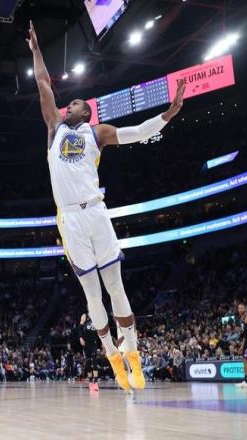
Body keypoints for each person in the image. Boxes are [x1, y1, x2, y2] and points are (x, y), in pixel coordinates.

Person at [26, 20, 185, 392]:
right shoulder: (53, 129)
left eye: (75, 104)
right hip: (70, 219)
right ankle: (111, 354)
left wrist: (169, 113)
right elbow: (43, 82)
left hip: (96, 211)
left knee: (115, 287)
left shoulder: (98, 133)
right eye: (68, 104)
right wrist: (35, 49)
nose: (67, 106)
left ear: (86, 113)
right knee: (92, 294)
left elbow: (138, 132)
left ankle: (133, 353)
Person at [78, 312, 101, 391]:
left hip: (94, 342)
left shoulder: (96, 316)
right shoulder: (85, 316)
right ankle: (90, 382)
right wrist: (80, 337)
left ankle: (96, 382)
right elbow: (80, 328)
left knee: (94, 360)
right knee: (88, 361)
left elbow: (100, 329)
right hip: (86, 342)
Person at [236, 302, 247, 388]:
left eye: (242, 308)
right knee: (245, 361)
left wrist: (243, 345)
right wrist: (241, 346)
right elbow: (244, 334)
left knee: (246, 361)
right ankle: (246, 381)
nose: (240, 310)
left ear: (245, 308)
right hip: (246, 342)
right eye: (239, 308)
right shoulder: (241, 318)